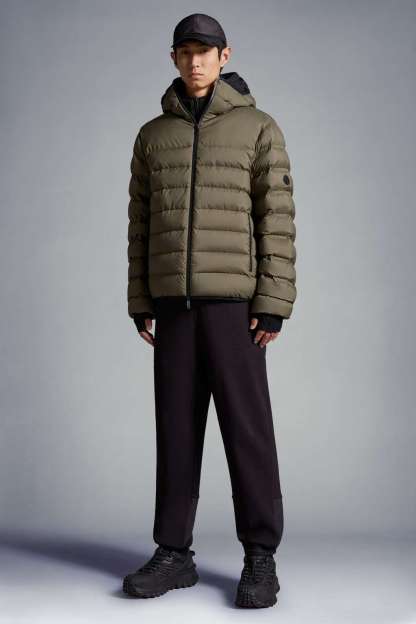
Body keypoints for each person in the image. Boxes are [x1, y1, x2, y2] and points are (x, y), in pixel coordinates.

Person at [122, 13, 297, 609]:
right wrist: (141, 298)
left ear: (225, 56)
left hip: (235, 307)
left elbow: (276, 217)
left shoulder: (258, 128)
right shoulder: (152, 136)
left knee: (247, 431)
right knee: (175, 429)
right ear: (174, 58)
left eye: (206, 51)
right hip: (172, 305)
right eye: (185, 51)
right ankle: (174, 553)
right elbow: (140, 222)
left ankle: (260, 556)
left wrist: (272, 303)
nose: (195, 61)